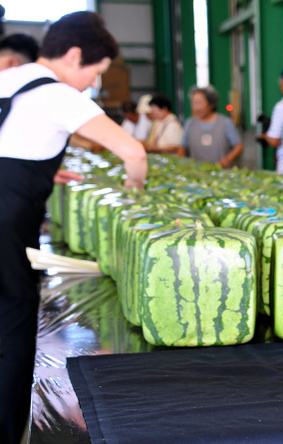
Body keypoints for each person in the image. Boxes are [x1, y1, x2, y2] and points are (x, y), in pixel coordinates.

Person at [0, 11, 147, 444]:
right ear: (76, 55)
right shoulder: (61, 94)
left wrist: (45, 172)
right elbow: (133, 151)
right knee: (13, 318)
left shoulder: (10, 76)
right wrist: (134, 184)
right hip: (7, 223)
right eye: (96, 73)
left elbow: (15, 145)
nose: (91, 85)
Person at [183, 86, 243, 167]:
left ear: (211, 104)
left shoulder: (225, 123)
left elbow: (238, 146)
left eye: (200, 103)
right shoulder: (189, 124)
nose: (197, 107)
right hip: (196, 172)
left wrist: (226, 160)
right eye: (194, 103)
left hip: (222, 173)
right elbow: (183, 147)